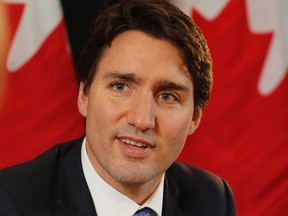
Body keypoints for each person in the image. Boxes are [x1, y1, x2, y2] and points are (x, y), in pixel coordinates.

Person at [0, 0, 236, 215]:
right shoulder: (11, 202)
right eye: (121, 87)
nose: (141, 120)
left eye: (167, 96)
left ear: (195, 117)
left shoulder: (212, 199)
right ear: (84, 96)